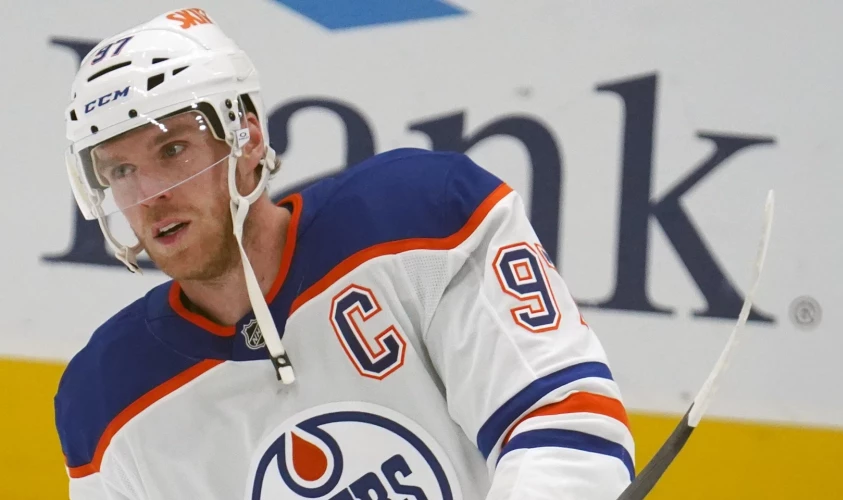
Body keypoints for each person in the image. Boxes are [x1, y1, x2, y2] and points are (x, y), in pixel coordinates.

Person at [55, 8, 635, 499]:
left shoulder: (419, 221)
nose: (151, 195)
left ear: (247, 137)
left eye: (173, 148)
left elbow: (565, 427)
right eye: (122, 170)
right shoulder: (106, 405)